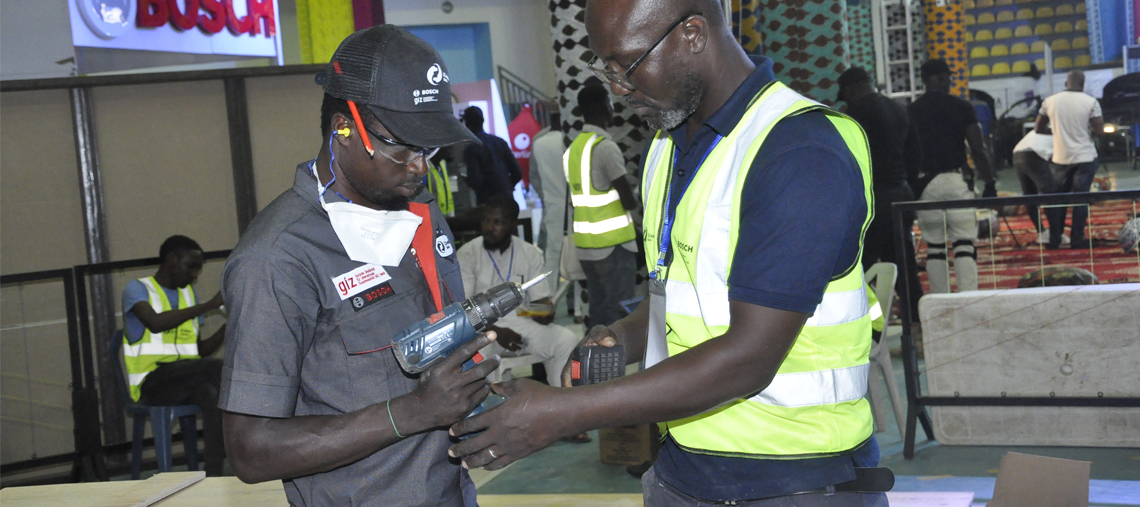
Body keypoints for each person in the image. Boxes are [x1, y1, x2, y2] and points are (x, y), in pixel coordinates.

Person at [448, 1, 887, 505]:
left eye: (627, 64)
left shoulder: (798, 150)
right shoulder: (666, 145)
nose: (617, 86)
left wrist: (562, 413)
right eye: (603, 66)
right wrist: (620, 337)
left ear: (693, 34)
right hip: (685, 465)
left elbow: (749, 358)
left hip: (796, 479)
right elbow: (675, 294)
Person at [218, 25, 499, 507]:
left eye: (429, 150)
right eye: (401, 147)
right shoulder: (279, 259)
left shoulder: (418, 214)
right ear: (341, 129)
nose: (419, 167)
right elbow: (250, 450)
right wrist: (410, 413)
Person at [455, 195, 591, 444]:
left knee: (567, 340)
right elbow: (465, 309)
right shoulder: (468, 253)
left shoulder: (529, 252)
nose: (490, 227)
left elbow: (539, 302)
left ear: (512, 224)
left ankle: (562, 419)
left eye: (498, 222)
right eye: (486, 221)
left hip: (521, 323)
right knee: (474, 358)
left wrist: (544, 312)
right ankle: (486, 428)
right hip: (481, 329)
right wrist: (497, 332)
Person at [122, 235, 226, 476]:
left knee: (212, 393)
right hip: (152, 385)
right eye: (191, 267)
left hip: (184, 380)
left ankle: (214, 473)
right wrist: (210, 305)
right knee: (218, 369)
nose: (195, 276)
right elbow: (155, 323)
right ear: (172, 259)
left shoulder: (189, 295)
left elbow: (200, 352)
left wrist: (230, 327)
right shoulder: (137, 289)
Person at [837, 66, 924, 319]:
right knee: (904, 267)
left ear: (850, 89)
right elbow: (915, 156)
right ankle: (916, 328)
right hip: (900, 194)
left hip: (872, 201)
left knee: (859, 271)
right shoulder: (899, 109)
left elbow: (847, 161)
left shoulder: (853, 113)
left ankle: (871, 326)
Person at [909, 59, 996, 293]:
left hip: (926, 184)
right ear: (938, 78)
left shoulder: (912, 110)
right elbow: (978, 149)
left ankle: (939, 301)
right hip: (955, 181)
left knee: (935, 247)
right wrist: (989, 183)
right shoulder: (961, 107)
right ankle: (968, 299)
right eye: (946, 77)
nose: (949, 82)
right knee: (964, 244)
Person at [566, 83, 640, 328]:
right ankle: (615, 363)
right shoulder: (605, 147)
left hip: (587, 246)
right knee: (619, 314)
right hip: (613, 246)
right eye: (609, 102)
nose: (612, 108)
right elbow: (628, 200)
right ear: (602, 107)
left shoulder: (573, 150)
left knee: (598, 310)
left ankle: (597, 363)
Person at [1035, 70, 1104, 250]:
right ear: (1083, 84)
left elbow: (1038, 128)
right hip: (1085, 157)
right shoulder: (1090, 102)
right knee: (1080, 199)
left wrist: (1057, 133)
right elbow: (1099, 131)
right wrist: (1087, 134)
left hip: (1060, 158)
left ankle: (1056, 239)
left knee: (1058, 200)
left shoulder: (1050, 101)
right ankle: (1077, 239)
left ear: (1066, 83)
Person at [529, 112, 566, 295]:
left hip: (552, 204)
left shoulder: (539, 142)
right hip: (575, 205)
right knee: (576, 255)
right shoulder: (572, 140)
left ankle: (548, 297)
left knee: (552, 254)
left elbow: (534, 176)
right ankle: (577, 308)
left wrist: (546, 196)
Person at [1011, 130, 1064, 244]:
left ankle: (1042, 232)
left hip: (1017, 155)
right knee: (1049, 194)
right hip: (1034, 155)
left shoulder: (1050, 126)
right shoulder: (1063, 130)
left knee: (1030, 196)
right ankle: (1056, 236)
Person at [463, 106, 522, 205]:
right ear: (483, 120)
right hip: (507, 197)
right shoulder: (500, 142)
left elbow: (475, 180)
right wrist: (507, 186)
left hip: (487, 201)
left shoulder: (471, 147)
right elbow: (517, 172)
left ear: (466, 123)